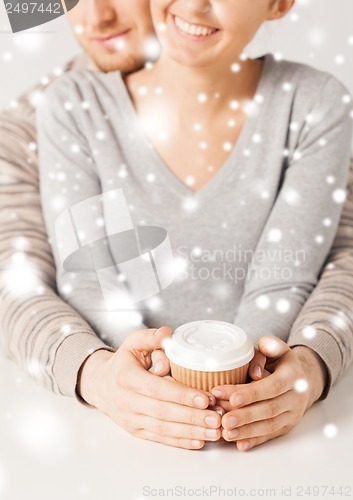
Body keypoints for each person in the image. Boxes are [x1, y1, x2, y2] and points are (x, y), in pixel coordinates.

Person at [0, 0, 352, 452]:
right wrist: (101, 376)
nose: (94, 17)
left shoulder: (309, 105)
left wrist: (309, 363)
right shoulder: (53, 115)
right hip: (112, 439)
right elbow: (16, 284)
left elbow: (332, 256)